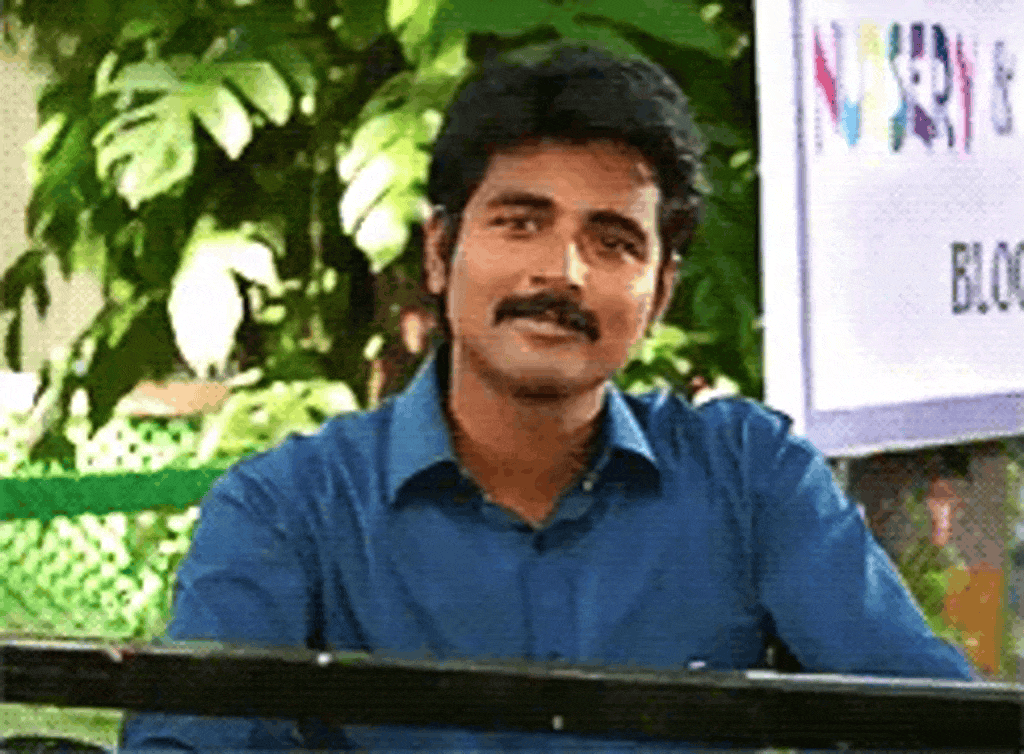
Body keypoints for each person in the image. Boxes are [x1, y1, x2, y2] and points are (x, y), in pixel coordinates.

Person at [119, 42, 975, 752]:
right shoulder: (289, 510)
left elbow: (939, 725)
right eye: (520, 223)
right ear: (439, 252)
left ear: (659, 292)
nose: (561, 272)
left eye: (612, 241)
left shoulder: (749, 478)